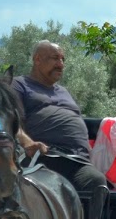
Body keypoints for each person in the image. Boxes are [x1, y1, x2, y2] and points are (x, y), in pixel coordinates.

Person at [12, 40, 108, 196]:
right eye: (55, 58)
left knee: (96, 182)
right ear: (37, 59)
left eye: (63, 59)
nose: (61, 64)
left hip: (78, 161)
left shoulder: (63, 91)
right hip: (45, 158)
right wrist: (27, 142)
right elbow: (11, 121)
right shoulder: (19, 85)